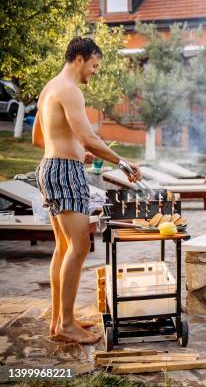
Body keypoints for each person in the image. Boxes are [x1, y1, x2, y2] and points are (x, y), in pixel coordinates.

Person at [32, 37, 142, 344]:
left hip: (50, 167)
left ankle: (59, 321)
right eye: (94, 65)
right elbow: (89, 136)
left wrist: (76, 151)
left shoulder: (50, 88)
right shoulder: (71, 90)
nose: (94, 71)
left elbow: (38, 138)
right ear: (79, 58)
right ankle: (66, 324)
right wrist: (122, 162)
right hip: (64, 173)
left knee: (64, 248)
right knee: (79, 247)